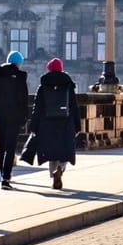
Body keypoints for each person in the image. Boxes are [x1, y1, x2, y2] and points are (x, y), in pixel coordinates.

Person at [23, 58, 78, 189]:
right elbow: (74, 107)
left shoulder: (43, 85)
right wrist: (77, 125)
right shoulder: (68, 84)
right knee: (65, 149)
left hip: (47, 123)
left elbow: (37, 108)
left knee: (51, 151)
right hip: (65, 122)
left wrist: (33, 126)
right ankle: (60, 168)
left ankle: (54, 175)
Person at [0, 52, 30, 190]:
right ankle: (6, 177)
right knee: (10, 148)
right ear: (18, 64)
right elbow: (24, 99)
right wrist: (23, 117)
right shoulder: (20, 77)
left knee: (2, 146)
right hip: (14, 117)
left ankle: (2, 174)